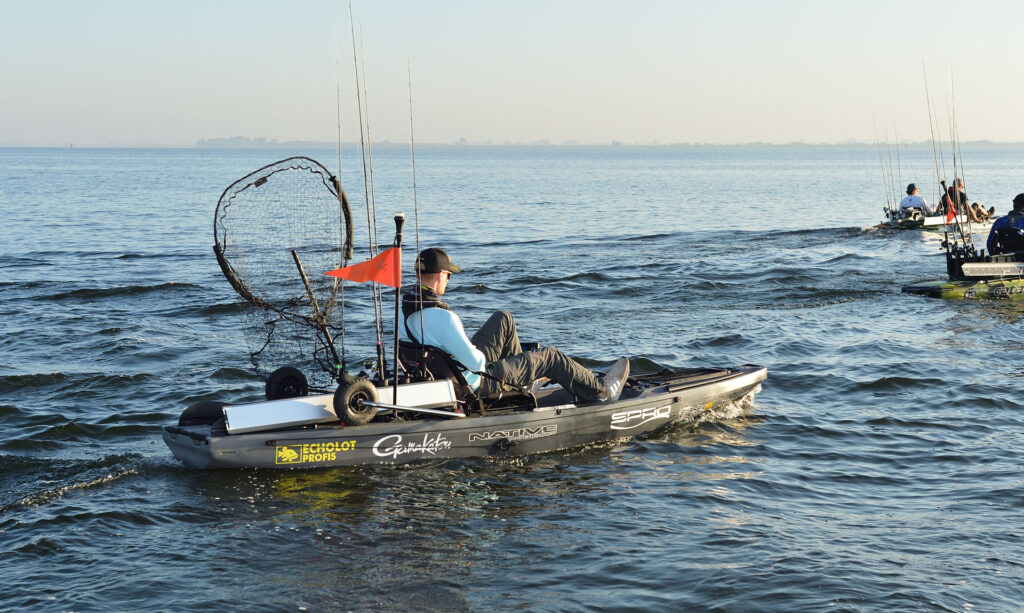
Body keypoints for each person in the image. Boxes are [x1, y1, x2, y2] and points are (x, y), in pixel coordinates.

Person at [399, 247, 630, 403]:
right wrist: (486, 357)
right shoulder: (443, 318)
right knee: (550, 357)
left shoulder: (404, 313)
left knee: (503, 319)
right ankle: (602, 391)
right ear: (440, 275)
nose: (448, 281)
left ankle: (521, 382)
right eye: (449, 276)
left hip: (448, 373)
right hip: (476, 382)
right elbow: (476, 362)